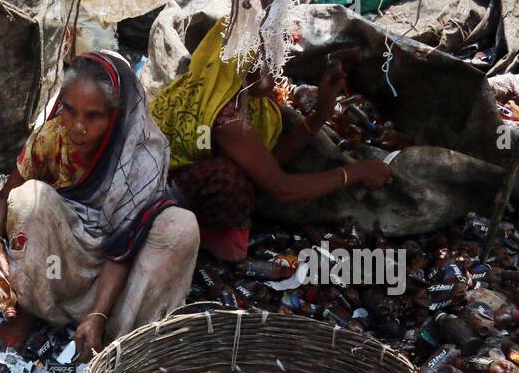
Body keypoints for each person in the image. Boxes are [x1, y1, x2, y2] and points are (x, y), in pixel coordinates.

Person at [0, 51, 200, 362]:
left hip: (119, 277)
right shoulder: (53, 138)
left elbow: (121, 249)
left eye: (93, 116)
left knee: (180, 227)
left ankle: (119, 333)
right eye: (70, 110)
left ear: (116, 115)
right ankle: (32, 309)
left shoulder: (142, 155)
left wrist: (98, 314)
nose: (78, 126)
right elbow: (3, 196)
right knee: (29, 199)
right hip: (65, 263)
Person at [151, 18, 393, 262]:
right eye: (267, 60)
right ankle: (201, 239)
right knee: (229, 179)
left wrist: (320, 115)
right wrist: (355, 173)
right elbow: (281, 188)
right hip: (157, 200)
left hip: (185, 179)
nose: (277, 68)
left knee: (244, 173)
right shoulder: (227, 117)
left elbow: (268, 161)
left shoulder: (240, 96)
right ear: (241, 61)